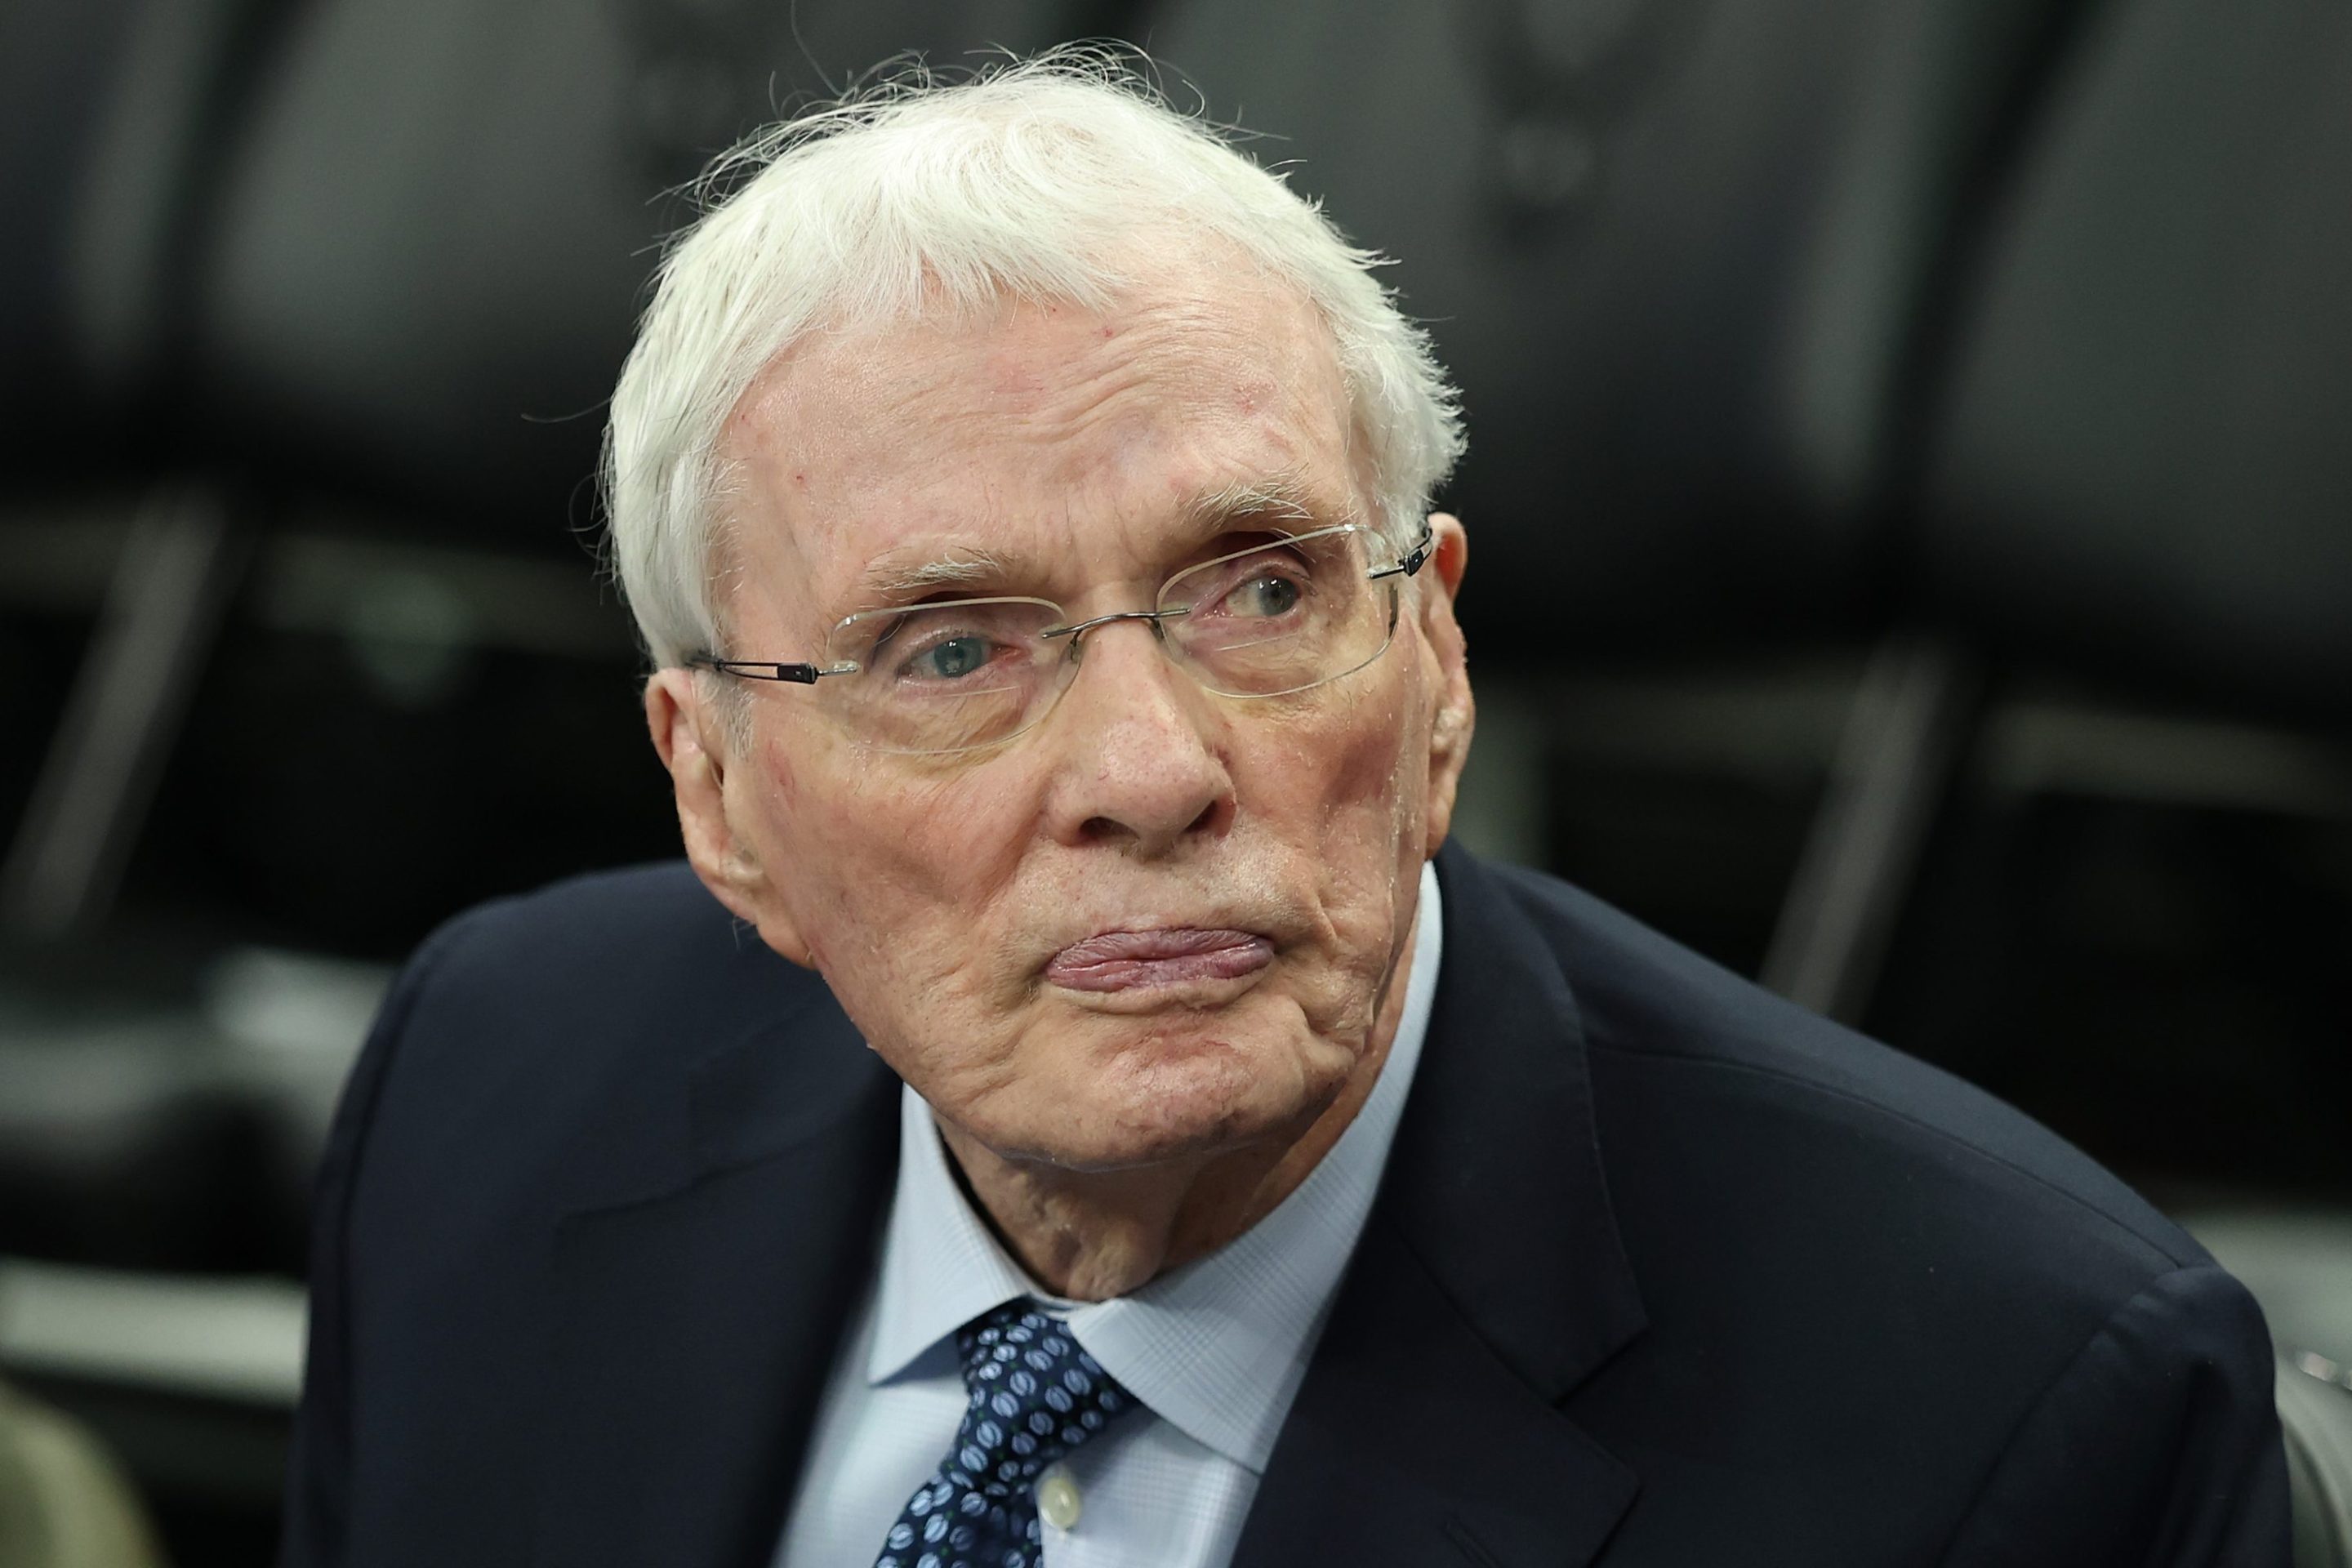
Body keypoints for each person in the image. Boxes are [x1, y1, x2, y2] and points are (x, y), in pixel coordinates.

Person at [279, 54, 2290, 1568]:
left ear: (1438, 671)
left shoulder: (2016, 1416)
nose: (1154, 773)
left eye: (1261, 592)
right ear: (714, 792)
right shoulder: (494, 1088)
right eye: (952, 653)